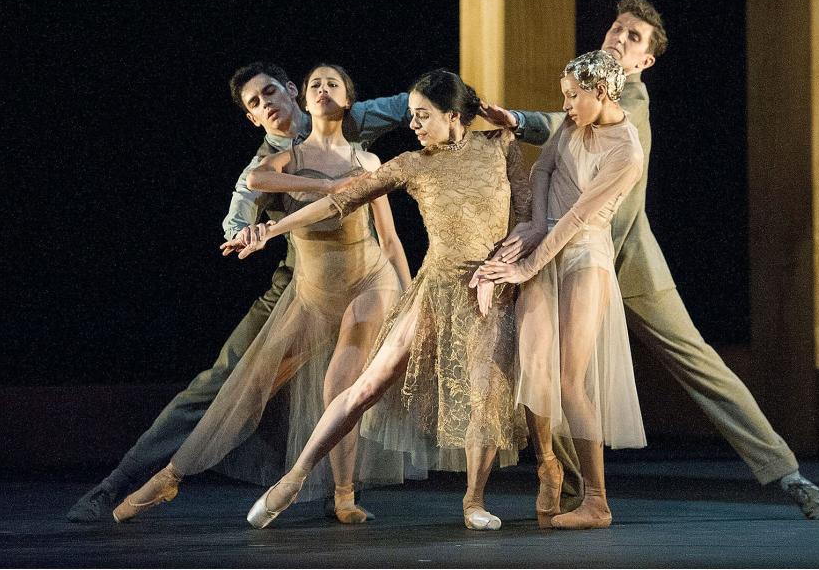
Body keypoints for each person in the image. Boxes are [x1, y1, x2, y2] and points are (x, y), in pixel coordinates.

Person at [480, 0, 819, 520]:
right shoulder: (579, 100)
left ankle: (787, 472)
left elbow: (566, 123)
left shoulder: (634, 100)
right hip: (571, 261)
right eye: (617, 28)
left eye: (635, 38)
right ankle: (578, 487)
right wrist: (516, 120)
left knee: (697, 362)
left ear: (645, 61)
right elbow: (560, 126)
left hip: (628, 260)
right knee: (555, 371)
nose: (620, 38)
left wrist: (525, 120)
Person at [67, 62, 412, 523]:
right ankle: (125, 482)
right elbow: (244, 203)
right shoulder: (269, 160)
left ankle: (342, 492)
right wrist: (247, 231)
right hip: (299, 281)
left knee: (347, 382)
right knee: (230, 382)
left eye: (271, 92)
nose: (267, 104)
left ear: (293, 91)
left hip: (362, 274)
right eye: (255, 103)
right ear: (252, 117)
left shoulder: (345, 117)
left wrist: (495, 116)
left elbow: (419, 103)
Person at [224, 70, 530, 531]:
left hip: (491, 289)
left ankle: (473, 501)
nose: (413, 125)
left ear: (452, 116)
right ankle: (293, 478)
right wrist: (272, 229)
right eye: (410, 116)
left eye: (423, 116)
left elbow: (527, 215)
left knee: (484, 394)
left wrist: (506, 261)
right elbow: (339, 202)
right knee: (369, 383)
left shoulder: (501, 146)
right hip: (435, 287)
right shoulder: (412, 163)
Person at [476, 50, 648, 529]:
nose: (566, 106)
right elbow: (542, 169)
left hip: (583, 254)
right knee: (534, 365)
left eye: (573, 97)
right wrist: (533, 224)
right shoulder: (575, 127)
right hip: (548, 237)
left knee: (571, 380)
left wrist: (529, 264)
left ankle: (597, 501)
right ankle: (547, 465)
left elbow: (578, 219)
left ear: (601, 92)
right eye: (564, 97)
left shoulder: (626, 151)